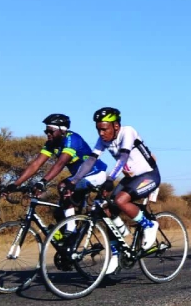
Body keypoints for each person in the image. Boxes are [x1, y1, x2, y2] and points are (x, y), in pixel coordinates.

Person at [65, 107, 161, 274]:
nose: (101, 133)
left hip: (149, 175)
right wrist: (74, 181)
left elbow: (123, 157)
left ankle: (149, 225)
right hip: (131, 179)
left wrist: (110, 180)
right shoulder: (103, 139)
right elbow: (90, 161)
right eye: (98, 129)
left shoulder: (127, 131)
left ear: (116, 126)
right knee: (106, 208)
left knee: (120, 200)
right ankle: (116, 252)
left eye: (104, 129)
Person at [2, 114, 108, 238]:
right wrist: (15, 184)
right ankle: (67, 241)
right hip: (78, 178)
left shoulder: (72, 139)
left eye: (51, 131)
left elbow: (60, 163)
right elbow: (36, 164)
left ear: (62, 130)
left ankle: (71, 231)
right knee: (58, 213)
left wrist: (43, 182)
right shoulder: (51, 143)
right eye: (46, 131)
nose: (48, 134)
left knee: (63, 186)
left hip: (96, 173)